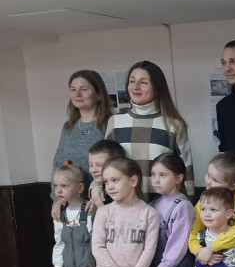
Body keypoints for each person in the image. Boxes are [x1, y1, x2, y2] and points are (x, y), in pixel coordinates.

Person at [105, 60, 195, 198]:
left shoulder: (173, 124)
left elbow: (186, 171)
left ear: (157, 88)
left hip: (162, 206)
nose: (136, 87)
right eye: (132, 81)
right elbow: (103, 164)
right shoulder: (115, 122)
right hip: (123, 204)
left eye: (144, 82)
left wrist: (189, 203)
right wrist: (96, 187)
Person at [51, 70, 114, 221]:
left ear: (98, 94)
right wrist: (57, 199)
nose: (77, 94)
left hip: (102, 203)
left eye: (84, 89)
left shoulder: (111, 124)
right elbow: (58, 165)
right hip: (71, 206)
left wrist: (98, 194)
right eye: (73, 89)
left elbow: (117, 166)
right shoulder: (68, 127)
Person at [188, 152, 235, 267]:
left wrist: (212, 248)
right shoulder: (204, 200)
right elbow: (194, 230)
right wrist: (199, 251)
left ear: (232, 186)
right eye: (208, 175)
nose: (208, 181)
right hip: (211, 256)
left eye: (215, 180)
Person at [86, 140, 125, 211]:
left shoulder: (122, 193)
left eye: (99, 165)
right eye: (90, 165)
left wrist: (101, 208)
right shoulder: (98, 192)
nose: (93, 170)